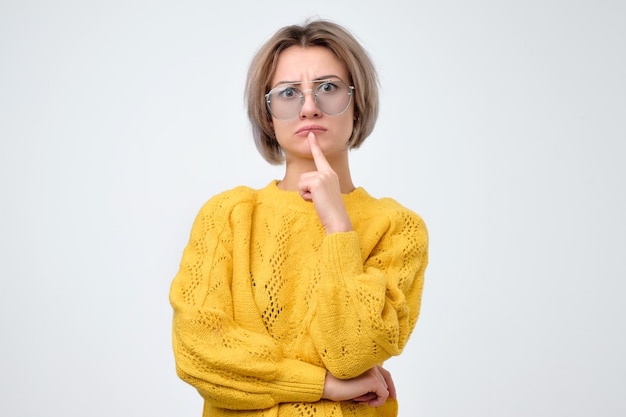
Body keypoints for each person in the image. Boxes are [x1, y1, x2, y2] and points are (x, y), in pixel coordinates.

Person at [169, 19, 428, 417]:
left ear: (356, 103)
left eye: (328, 88)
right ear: (267, 115)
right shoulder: (229, 216)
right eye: (288, 93)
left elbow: (349, 352)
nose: (309, 107)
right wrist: (323, 386)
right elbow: (198, 353)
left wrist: (339, 228)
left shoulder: (396, 227)